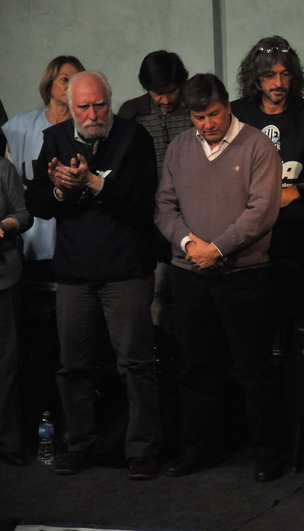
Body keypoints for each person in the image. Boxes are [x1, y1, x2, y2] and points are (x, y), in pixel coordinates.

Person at [25, 71, 161, 480]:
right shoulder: (55, 139)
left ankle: (142, 450)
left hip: (126, 269)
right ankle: (78, 444)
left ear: (110, 101)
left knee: (136, 364)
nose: (92, 114)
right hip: (74, 273)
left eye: (99, 105)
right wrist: (60, 191)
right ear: (70, 107)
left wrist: (94, 183)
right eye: (83, 107)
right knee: (73, 365)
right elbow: (37, 205)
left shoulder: (134, 138)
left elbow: (142, 203)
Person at [155, 73, 283, 481]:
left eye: (213, 114)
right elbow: (165, 207)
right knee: (195, 366)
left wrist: (218, 248)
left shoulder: (258, 146)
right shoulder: (179, 147)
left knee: (254, 368)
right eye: (198, 117)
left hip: (244, 276)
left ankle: (267, 455)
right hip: (189, 274)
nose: (207, 124)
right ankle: (198, 449)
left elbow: (262, 211)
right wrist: (189, 243)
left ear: (228, 106)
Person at [231, 35, 304, 320]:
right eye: (269, 75)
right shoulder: (237, 114)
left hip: (294, 234)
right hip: (246, 233)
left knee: (297, 312)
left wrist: (295, 191)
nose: (278, 83)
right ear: (255, 77)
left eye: (285, 74)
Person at [117, 50, 194, 337]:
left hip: (190, 214)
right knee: (154, 290)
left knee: (188, 290)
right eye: (157, 93)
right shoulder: (131, 112)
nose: (164, 99)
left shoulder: (193, 109)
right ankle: (160, 344)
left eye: (171, 92)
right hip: (148, 217)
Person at [3, 56, 85, 267]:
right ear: (49, 84)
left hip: (75, 236)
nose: (70, 86)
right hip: (29, 233)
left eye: (76, 80)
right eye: (64, 79)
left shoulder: (88, 129)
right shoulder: (21, 126)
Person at [0, 157, 32, 466]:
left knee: (6, 363)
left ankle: (9, 441)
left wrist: (3, 226)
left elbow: (23, 215)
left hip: (3, 279)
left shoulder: (2, 168)